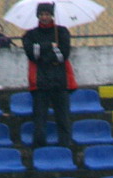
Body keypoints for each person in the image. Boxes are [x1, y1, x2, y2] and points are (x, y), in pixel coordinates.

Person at [22, 3, 74, 147]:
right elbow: (33, 55)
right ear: (38, 16)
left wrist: (42, 49)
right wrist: (51, 47)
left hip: (60, 81)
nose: (44, 17)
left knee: (63, 118)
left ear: (52, 15)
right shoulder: (30, 34)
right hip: (40, 82)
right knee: (39, 118)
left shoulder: (62, 32)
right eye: (42, 14)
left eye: (47, 14)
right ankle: (39, 147)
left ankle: (65, 146)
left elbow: (63, 55)